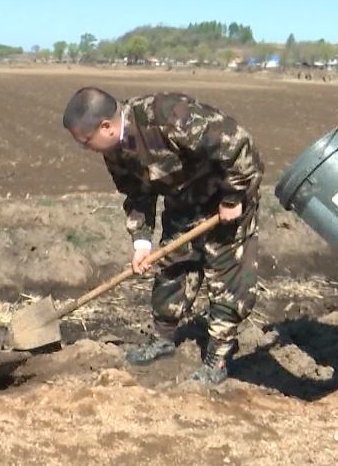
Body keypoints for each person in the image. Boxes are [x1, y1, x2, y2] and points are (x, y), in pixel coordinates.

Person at [62, 87, 263, 384]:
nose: (85, 148)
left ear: (106, 126)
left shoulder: (169, 117)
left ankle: (217, 360)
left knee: (225, 277)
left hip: (225, 199)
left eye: (85, 141)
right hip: (183, 202)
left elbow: (238, 145)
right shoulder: (115, 150)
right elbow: (136, 193)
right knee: (172, 267)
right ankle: (164, 339)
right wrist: (141, 242)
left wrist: (233, 197)